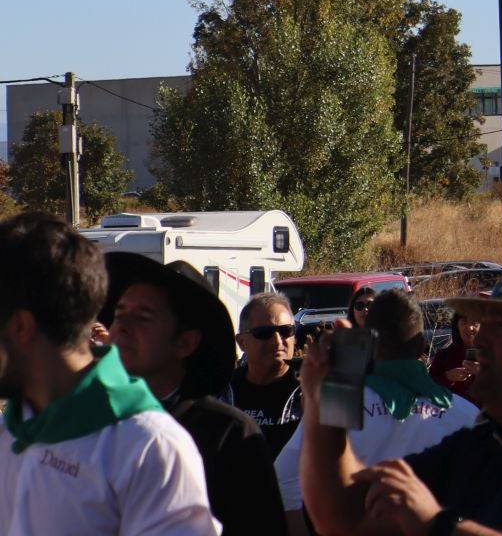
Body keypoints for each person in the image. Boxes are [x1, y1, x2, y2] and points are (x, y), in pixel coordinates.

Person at [299, 253, 502, 536]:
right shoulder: (482, 449)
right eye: (483, 322)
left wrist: (437, 525)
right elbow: (343, 517)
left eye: (501, 325)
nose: (480, 339)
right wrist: (328, 399)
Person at [0, 211, 216, 533]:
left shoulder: (149, 447)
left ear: (21, 327)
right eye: (120, 312)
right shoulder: (11, 429)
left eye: (143, 316)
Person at [105, 253, 285, 535]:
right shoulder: (90, 421)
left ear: (185, 343)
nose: (121, 328)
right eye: (118, 315)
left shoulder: (228, 435)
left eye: (143, 317)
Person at [280, 288, 481, 517]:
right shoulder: (468, 416)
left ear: (368, 345)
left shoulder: (338, 407)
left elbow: (285, 478)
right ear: (421, 346)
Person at [231, 290, 305, 454]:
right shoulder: (223, 392)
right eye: (264, 333)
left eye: (285, 331)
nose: (277, 341)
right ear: (241, 342)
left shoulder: (309, 391)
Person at [431, 311, 483, 404]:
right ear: (457, 325)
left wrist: (482, 373)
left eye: (474, 323)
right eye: (464, 322)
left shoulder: (494, 357)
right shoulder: (444, 355)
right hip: (451, 411)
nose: (470, 328)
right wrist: (447, 377)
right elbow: (428, 388)